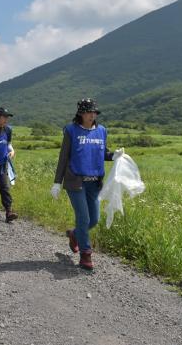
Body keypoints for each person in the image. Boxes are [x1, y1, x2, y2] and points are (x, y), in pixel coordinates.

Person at [50, 98, 120, 271]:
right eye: (89, 112)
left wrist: (114, 156)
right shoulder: (71, 130)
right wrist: (57, 182)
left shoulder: (102, 130)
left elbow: (103, 153)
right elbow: (64, 157)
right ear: (81, 113)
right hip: (76, 181)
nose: (92, 115)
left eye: (94, 112)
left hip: (94, 183)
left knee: (94, 219)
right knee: (84, 218)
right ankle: (85, 254)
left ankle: (75, 234)